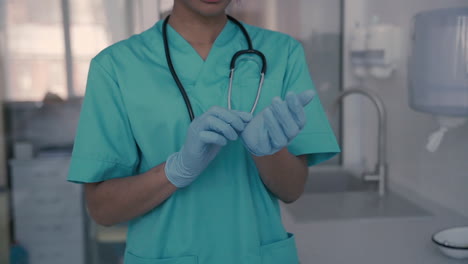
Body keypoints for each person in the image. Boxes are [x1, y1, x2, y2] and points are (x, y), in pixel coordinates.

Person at [68, 0, 340, 263]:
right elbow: (102, 208)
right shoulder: (116, 66)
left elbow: (292, 189)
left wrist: (267, 152)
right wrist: (177, 169)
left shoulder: (282, 53)